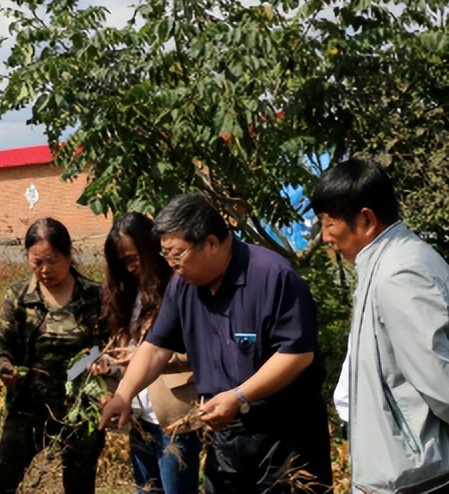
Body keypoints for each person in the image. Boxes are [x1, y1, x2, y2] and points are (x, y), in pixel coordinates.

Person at [311, 158, 449, 494]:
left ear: (366, 219)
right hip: (409, 470)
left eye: (329, 223)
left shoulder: (400, 275)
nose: (324, 236)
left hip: (413, 478)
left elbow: (436, 378)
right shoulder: (389, 262)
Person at [99, 193, 333, 494]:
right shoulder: (182, 287)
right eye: (166, 256)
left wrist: (239, 396)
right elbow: (156, 347)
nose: (172, 265)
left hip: (285, 436)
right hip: (227, 439)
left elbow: (297, 354)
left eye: (178, 254)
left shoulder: (272, 276)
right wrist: (123, 394)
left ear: (211, 242)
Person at [0, 217, 106, 494]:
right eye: (37, 262)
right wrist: (4, 366)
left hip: (80, 409)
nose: (45, 270)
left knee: (79, 485)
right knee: (0, 481)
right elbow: (3, 342)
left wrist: (100, 364)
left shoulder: (94, 296)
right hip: (29, 404)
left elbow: (110, 345)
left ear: (68, 254)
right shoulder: (19, 296)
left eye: (53, 260)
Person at [99, 212, 202, 494]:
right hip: (140, 415)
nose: (131, 268)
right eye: (123, 263)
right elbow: (129, 347)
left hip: (172, 418)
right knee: (145, 490)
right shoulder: (131, 294)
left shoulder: (179, 287)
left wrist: (142, 357)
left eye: (134, 258)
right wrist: (110, 365)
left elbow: (199, 351)